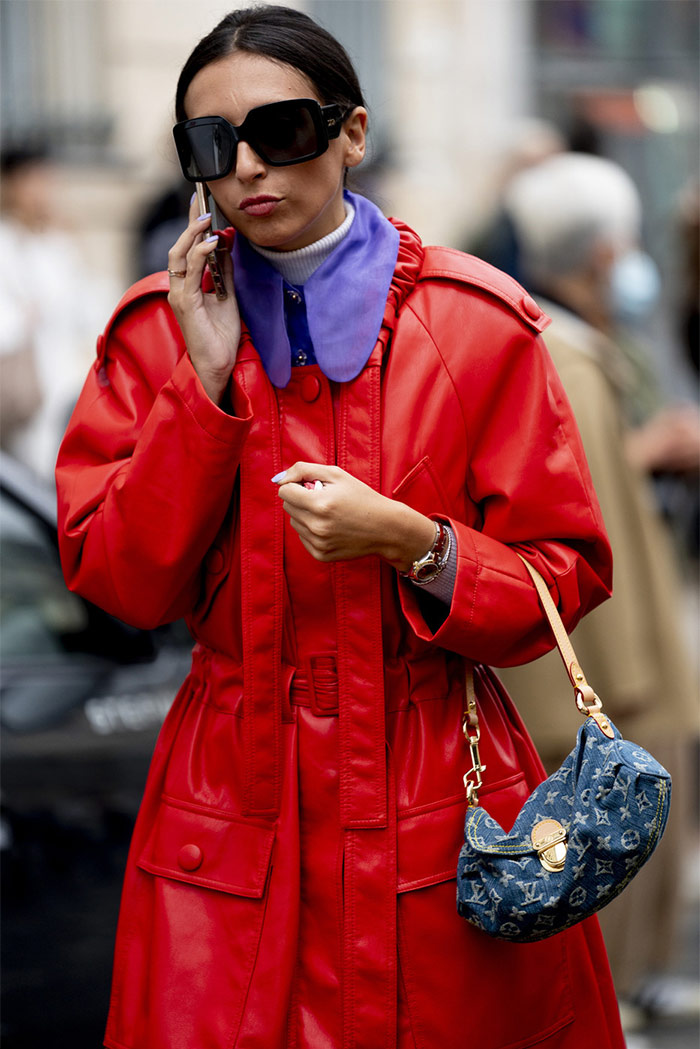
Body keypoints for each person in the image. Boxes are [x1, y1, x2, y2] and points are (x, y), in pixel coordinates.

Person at [55, 8, 624, 1048]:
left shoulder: (473, 323)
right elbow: (118, 579)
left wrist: (417, 542)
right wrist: (206, 386)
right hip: (226, 797)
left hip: (433, 780)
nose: (249, 168)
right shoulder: (157, 330)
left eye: (285, 130)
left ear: (351, 131)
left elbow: (565, 572)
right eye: (212, 145)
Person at [500, 152, 699, 1031]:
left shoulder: (556, 343)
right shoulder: (566, 360)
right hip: (615, 678)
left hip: (607, 670)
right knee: (613, 874)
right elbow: (587, 537)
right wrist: (624, 702)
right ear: (603, 255)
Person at [0, 147, 113, 479]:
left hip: (67, 373)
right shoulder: (6, 242)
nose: (41, 190)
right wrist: (21, 317)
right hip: (26, 380)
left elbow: (86, 302)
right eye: (32, 181)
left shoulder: (59, 240)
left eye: (46, 180)